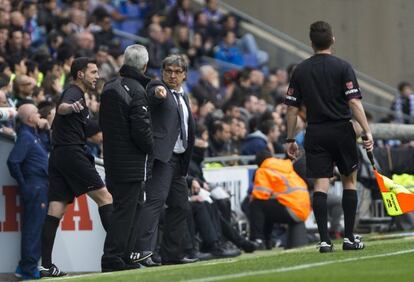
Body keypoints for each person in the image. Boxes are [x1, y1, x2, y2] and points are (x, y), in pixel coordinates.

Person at [284, 21, 374, 253]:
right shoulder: (343, 66)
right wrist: (366, 130)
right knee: (349, 183)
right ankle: (349, 238)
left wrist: (290, 139)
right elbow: (354, 102)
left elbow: (292, 109)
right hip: (342, 130)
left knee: (320, 186)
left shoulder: (300, 70)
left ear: (311, 43)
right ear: (333, 40)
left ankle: (324, 241)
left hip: (315, 131)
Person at [40, 57, 113, 276]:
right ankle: (119, 253)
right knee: (105, 198)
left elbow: (88, 127)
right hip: (72, 153)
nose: (97, 76)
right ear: (80, 74)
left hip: (59, 156)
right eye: (93, 72)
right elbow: (62, 107)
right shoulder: (74, 93)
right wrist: (69, 107)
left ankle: (46, 265)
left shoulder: (80, 98)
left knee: (56, 209)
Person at [133, 54, 197, 266]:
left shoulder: (183, 96)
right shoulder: (158, 87)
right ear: (162, 73)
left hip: (178, 159)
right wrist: (158, 92)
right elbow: (154, 94)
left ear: (185, 75)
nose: (172, 75)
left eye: (177, 72)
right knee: (155, 202)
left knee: (180, 205)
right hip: (163, 158)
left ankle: (172, 254)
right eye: (168, 71)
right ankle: (141, 251)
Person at [100, 44, 154, 272]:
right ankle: (113, 258)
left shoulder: (109, 87)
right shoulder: (137, 91)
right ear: (144, 65)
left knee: (125, 209)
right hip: (132, 163)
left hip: (112, 159)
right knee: (126, 212)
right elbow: (141, 131)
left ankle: (121, 256)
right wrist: (154, 147)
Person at [7, 104, 49, 280]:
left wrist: (46, 130)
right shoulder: (25, 136)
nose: (40, 115)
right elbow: (13, 161)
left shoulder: (34, 136)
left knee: (35, 228)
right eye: (37, 113)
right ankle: (28, 268)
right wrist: (24, 184)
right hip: (35, 186)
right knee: (33, 230)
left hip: (39, 186)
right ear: (31, 119)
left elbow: (47, 146)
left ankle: (26, 265)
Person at [249, 150, 310, 250]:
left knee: (256, 205)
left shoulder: (263, 170)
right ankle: (267, 241)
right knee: (267, 208)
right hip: (304, 209)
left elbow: (259, 196)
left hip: (292, 209)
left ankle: (258, 240)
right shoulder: (285, 167)